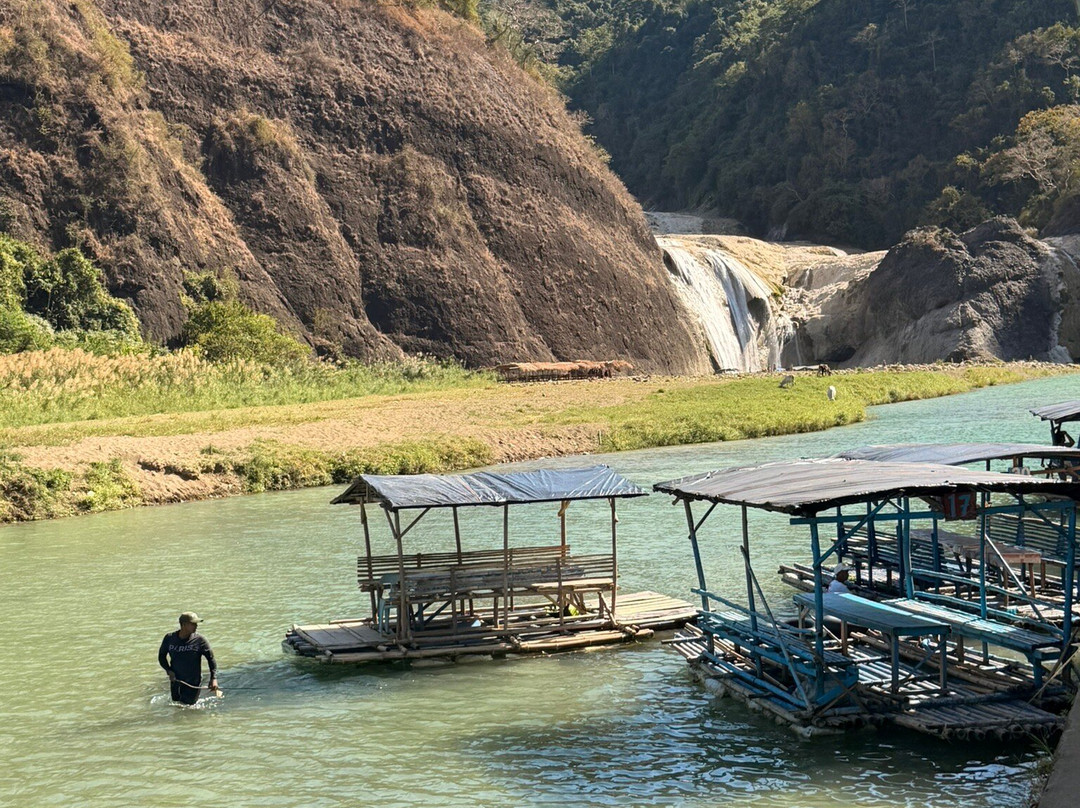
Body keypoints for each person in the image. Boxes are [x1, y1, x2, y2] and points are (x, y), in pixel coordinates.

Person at [159, 612, 218, 705]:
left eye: (196, 624)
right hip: (176, 680)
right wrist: (168, 670)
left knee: (188, 707)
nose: (196, 626)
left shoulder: (200, 640)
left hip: (193, 682)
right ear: (184, 624)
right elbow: (161, 656)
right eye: (193, 624)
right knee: (176, 705)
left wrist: (213, 679)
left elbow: (211, 659)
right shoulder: (169, 638)